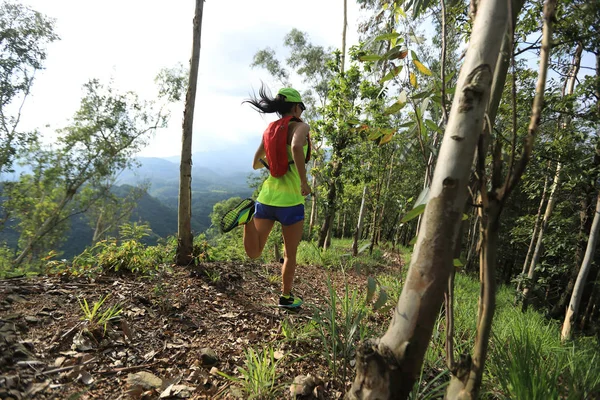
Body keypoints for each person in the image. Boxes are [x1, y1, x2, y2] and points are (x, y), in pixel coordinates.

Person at [220, 86, 311, 309]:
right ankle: (286, 297)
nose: (301, 111)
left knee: (254, 251)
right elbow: (297, 146)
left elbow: (254, 163)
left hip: (267, 197)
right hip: (291, 201)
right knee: (290, 254)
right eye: (300, 107)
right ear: (295, 106)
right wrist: (302, 180)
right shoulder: (301, 126)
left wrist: (273, 164)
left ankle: (247, 218)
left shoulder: (270, 129)